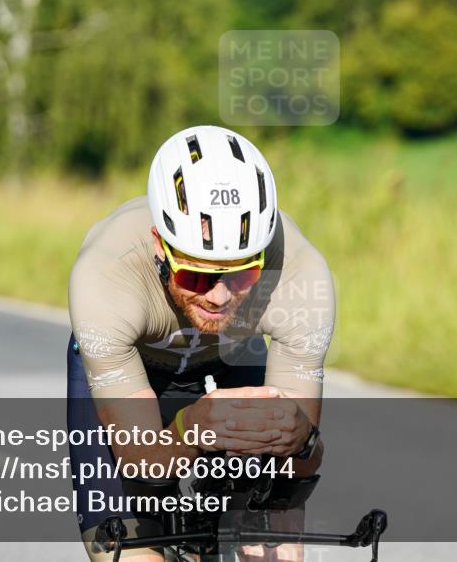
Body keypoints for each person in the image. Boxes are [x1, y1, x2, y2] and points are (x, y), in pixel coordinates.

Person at [67, 125, 334, 561]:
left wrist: (302, 440)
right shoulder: (105, 275)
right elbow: (141, 459)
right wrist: (191, 429)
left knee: (278, 547)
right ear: (160, 246)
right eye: (196, 275)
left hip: (235, 359)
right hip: (136, 370)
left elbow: (303, 465)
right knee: (122, 549)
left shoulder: (301, 274)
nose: (220, 296)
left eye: (243, 274)